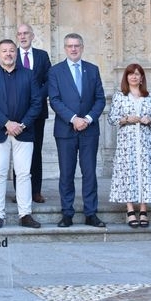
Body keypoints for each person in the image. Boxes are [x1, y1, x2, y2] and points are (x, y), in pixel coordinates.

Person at [0, 39, 43, 229]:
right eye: (4, 51)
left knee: (24, 174)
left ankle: (25, 214)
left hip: (24, 132)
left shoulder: (29, 75)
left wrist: (21, 125)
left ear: (16, 53)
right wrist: (6, 123)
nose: (8, 54)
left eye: (11, 51)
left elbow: (36, 103)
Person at [47, 33, 107, 228]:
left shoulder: (92, 70)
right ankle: (67, 213)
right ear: (64, 48)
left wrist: (87, 119)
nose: (73, 49)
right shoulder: (55, 71)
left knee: (89, 172)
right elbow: (54, 99)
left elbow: (100, 99)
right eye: (70, 46)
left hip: (89, 130)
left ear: (82, 47)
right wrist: (73, 119)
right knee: (67, 173)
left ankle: (91, 213)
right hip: (65, 130)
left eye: (77, 46)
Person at [107, 63, 151, 228]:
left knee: (145, 172)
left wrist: (149, 120)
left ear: (142, 78)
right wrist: (126, 119)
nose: (134, 77)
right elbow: (112, 118)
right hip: (127, 142)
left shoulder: (149, 96)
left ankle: (144, 209)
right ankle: (130, 209)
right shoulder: (120, 96)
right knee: (128, 173)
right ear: (126, 77)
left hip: (145, 142)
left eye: (137, 74)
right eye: (131, 74)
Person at [14, 24, 51, 203]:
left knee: (35, 151)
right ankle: (18, 191)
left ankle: (36, 191)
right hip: (17, 113)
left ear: (32, 36)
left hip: (37, 113)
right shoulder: (12, 55)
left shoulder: (42, 56)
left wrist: (36, 98)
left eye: (26, 33)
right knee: (18, 152)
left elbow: (49, 81)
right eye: (19, 34)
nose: (23, 36)